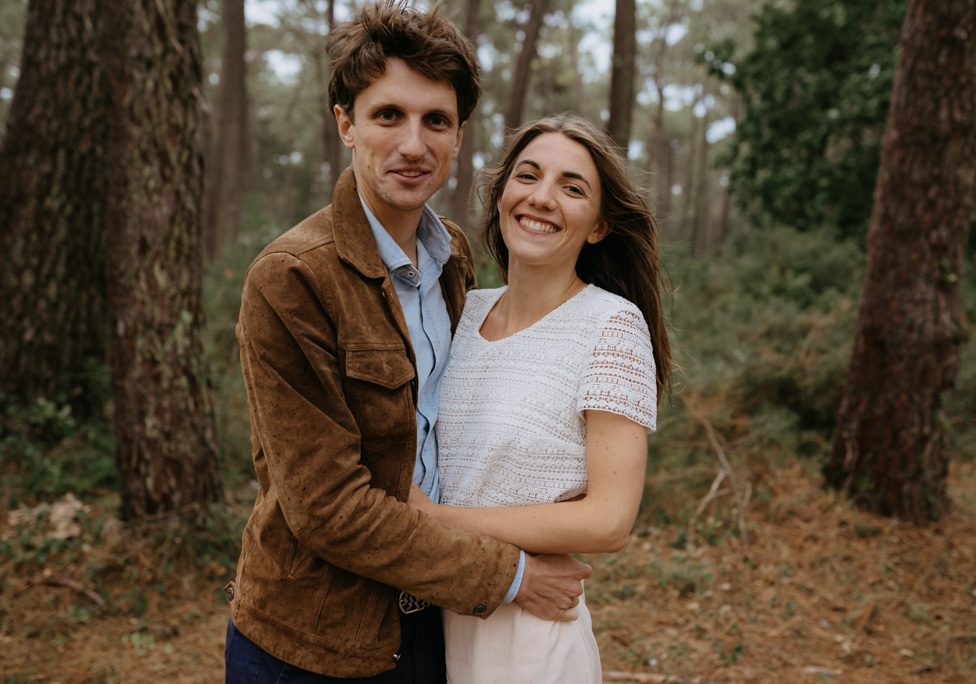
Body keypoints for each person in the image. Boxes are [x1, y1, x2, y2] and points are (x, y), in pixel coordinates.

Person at [223, 4, 591, 682]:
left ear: (458, 140)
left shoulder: (453, 256)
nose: (413, 145)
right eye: (388, 115)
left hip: (437, 629)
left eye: (436, 121)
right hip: (313, 641)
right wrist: (508, 574)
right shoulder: (293, 278)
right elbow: (328, 508)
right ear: (346, 125)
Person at [407, 113, 673, 683]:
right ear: (502, 195)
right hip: (445, 617)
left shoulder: (611, 325)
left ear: (599, 225)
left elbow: (609, 521)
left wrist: (434, 519)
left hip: (532, 629)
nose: (543, 198)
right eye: (528, 176)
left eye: (572, 187)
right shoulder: (467, 309)